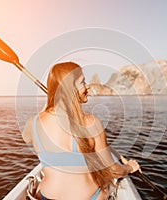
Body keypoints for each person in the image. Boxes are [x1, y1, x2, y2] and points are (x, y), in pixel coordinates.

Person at [22, 62, 140, 200]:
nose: (87, 86)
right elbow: (112, 170)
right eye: (82, 82)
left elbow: (26, 138)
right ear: (70, 89)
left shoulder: (33, 122)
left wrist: (49, 103)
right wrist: (130, 168)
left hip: (45, 196)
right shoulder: (91, 123)